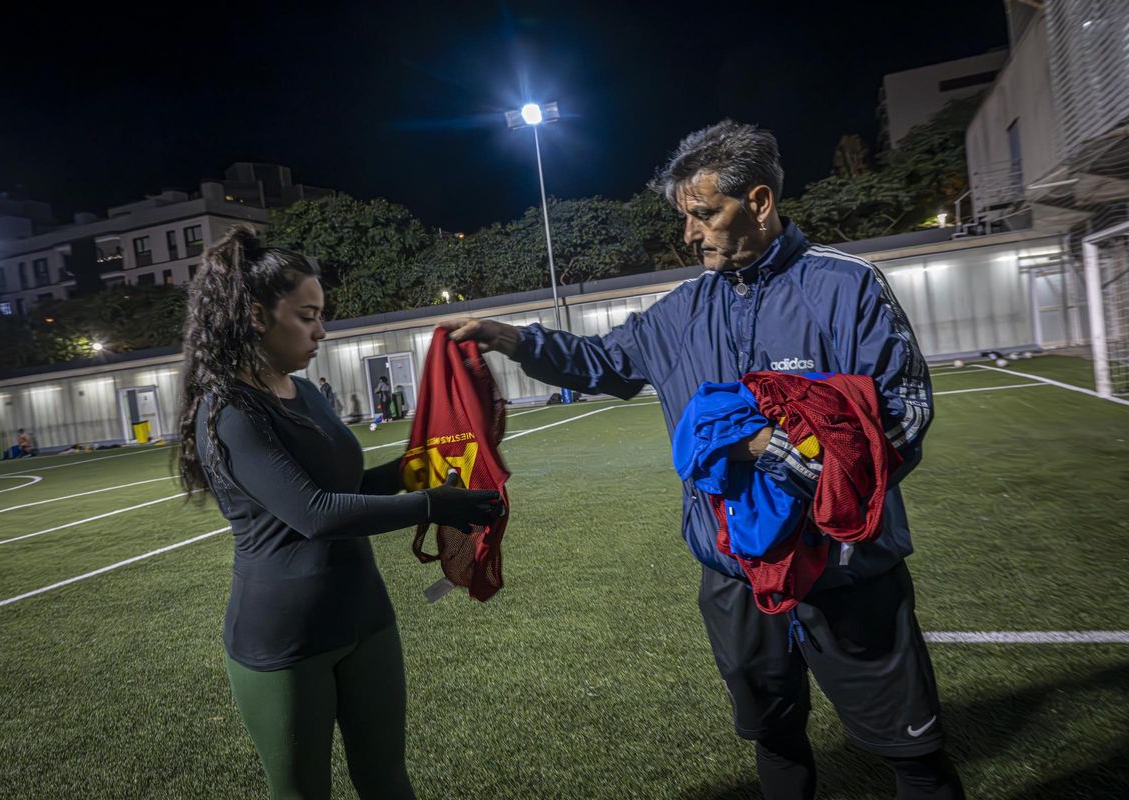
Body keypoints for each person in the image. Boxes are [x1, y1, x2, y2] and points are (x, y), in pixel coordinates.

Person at [445, 120, 963, 799]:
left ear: (759, 202)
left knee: (912, 755)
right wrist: (504, 336)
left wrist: (786, 458)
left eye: (703, 214)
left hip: (845, 573)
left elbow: (904, 414)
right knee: (775, 739)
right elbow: (603, 361)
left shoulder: (848, 287)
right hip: (733, 576)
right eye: (683, 217)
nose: (689, 232)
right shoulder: (680, 311)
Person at [176, 225, 503, 799]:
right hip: (284, 637)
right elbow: (315, 513)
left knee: (387, 780)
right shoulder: (226, 411)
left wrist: (432, 466)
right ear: (256, 315)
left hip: (365, 615)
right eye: (308, 316)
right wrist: (433, 503)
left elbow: (351, 484)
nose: (322, 331)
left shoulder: (308, 393)